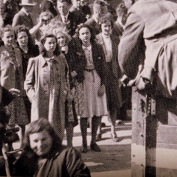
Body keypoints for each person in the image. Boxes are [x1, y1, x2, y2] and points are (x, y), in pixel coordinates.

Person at [66, 24, 107, 153]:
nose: (85, 36)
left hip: (96, 77)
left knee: (97, 111)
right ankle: (84, 143)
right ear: (78, 36)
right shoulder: (76, 49)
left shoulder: (98, 47)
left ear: (91, 34)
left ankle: (93, 141)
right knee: (84, 112)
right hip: (83, 79)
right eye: (82, 34)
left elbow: (104, 67)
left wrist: (103, 84)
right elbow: (72, 64)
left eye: (87, 33)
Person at [25, 34, 70, 140]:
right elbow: (28, 83)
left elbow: (65, 78)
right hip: (41, 99)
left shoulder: (61, 59)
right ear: (43, 45)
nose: (52, 45)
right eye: (49, 43)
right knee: (40, 126)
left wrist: (64, 92)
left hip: (57, 99)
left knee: (57, 126)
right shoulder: (35, 61)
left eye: (54, 42)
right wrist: (34, 96)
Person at [12, 117, 91, 177]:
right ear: (29, 142)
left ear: (52, 138)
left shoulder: (68, 155)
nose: (40, 145)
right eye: (35, 141)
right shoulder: (26, 157)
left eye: (44, 139)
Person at [0, 25, 29, 132]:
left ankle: (23, 145)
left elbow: (20, 72)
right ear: (2, 38)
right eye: (7, 37)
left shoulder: (17, 52)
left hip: (18, 91)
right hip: (5, 92)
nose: (10, 39)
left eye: (12, 36)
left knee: (22, 122)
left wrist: (23, 89)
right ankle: (9, 147)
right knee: (8, 122)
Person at [95, 14, 122, 141]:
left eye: (109, 26)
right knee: (100, 103)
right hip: (100, 75)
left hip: (113, 75)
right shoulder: (96, 40)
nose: (107, 29)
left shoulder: (116, 39)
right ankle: (98, 130)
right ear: (100, 27)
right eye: (104, 26)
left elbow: (120, 59)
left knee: (113, 103)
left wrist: (120, 76)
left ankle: (113, 130)